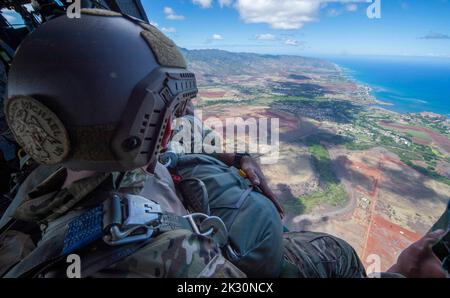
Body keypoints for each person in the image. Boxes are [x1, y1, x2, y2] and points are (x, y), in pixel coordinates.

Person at [0, 9, 244, 278]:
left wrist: (237, 158)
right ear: (156, 132)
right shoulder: (175, 257)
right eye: (168, 116)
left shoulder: (47, 177)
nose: (172, 127)